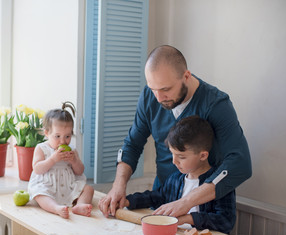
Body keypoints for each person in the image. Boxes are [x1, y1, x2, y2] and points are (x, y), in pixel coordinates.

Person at [98, 45, 251, 219]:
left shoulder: (216, 105)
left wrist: (186, 201)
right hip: (162, 201)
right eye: (152, 88)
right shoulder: (150, 96)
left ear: (186, 76)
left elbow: (240, 163)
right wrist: (118, 186)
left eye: (165, 89)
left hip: (203, 211)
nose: (158, 98)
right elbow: (132, 144)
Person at [124, 116, 236, 234]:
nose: (174, 161)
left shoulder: (219, 184)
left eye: (181, 157)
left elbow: (226, 221)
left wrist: (188, 218)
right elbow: (155, 197)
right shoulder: (175, 178)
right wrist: (128, 201)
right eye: (172, 154)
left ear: (203, 156)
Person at [28, 101, 94, 219]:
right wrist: (52, 159)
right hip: (48, 185)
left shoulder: (72, 150)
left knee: (88, 189)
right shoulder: (41, 148)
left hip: (68, 185)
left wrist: (74, 161)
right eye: (57, 136)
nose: (63, 142)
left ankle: (80, 205)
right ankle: (55, 208)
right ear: (47, 133)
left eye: (67, 136)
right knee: (38, 193)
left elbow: (79, 171)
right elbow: (37, 169)